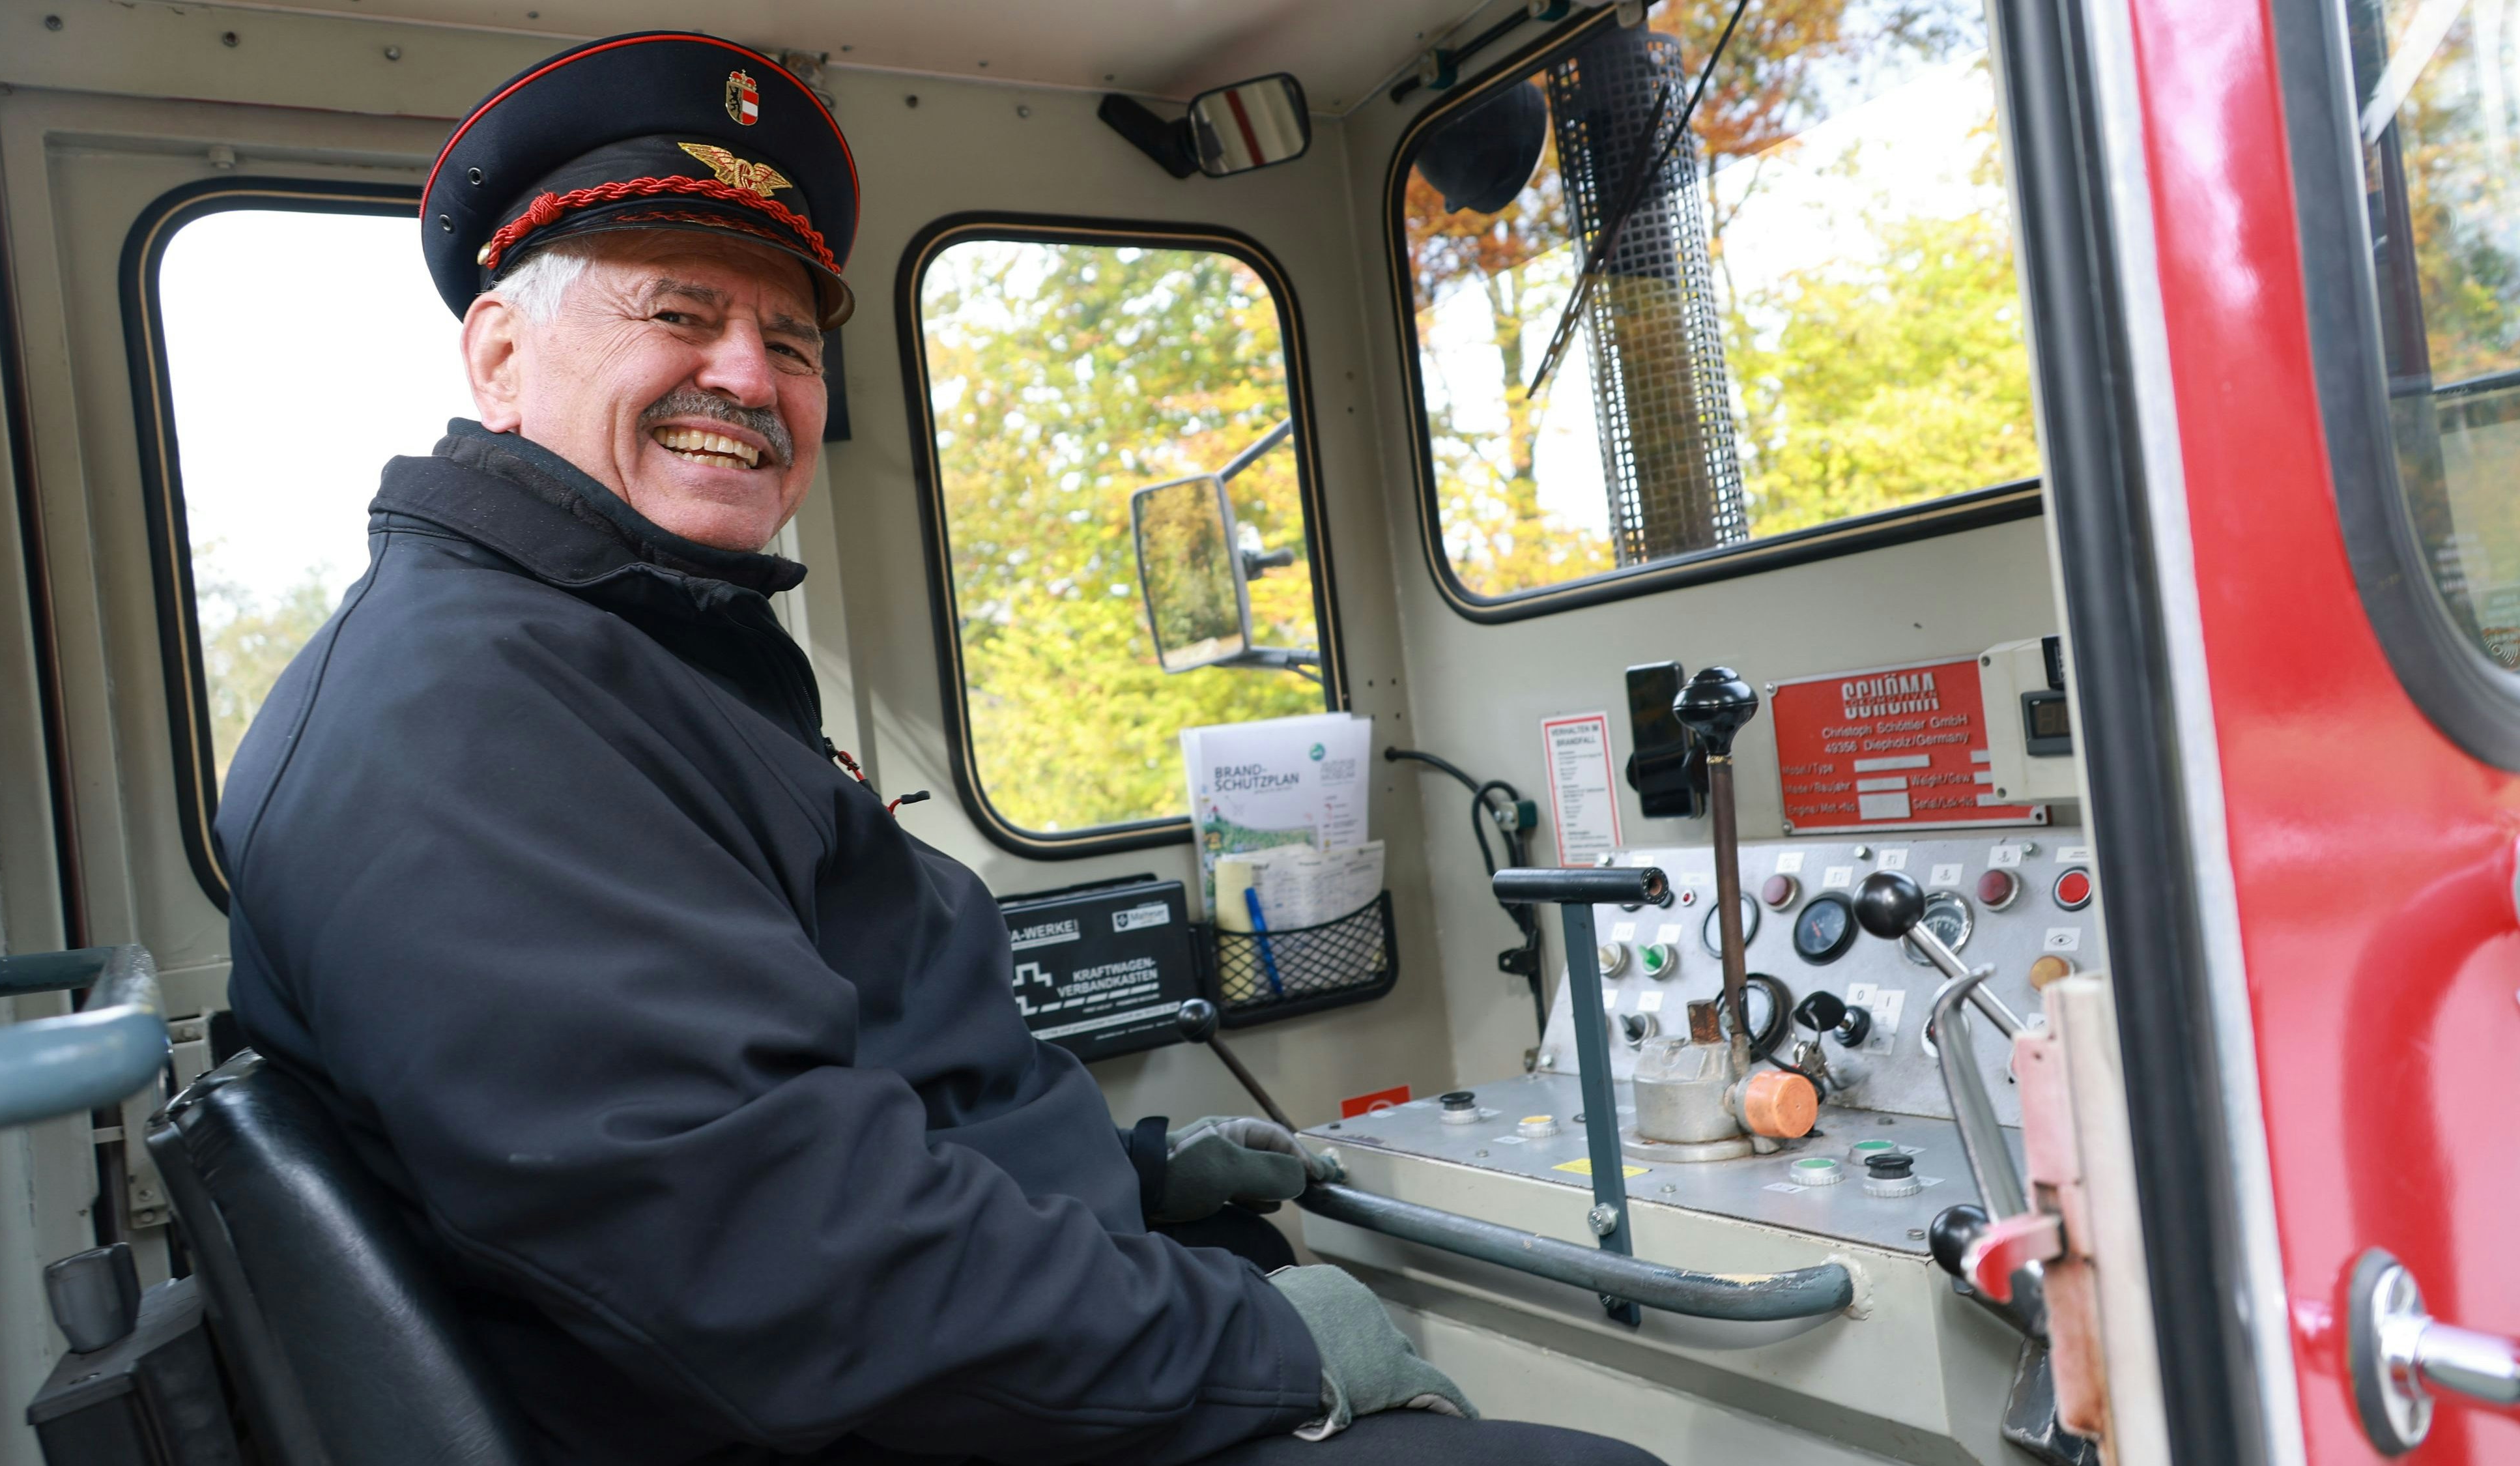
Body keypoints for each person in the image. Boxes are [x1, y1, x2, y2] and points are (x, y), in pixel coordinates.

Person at [218, 31, 1661, 1466]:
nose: (747, 373)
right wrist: (1271, 1350)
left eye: (789, 342)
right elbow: (786, 1274)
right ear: (501, 356)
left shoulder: (635, 657)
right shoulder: (464, 712)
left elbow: (831, 1100)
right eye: (679, 313)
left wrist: (1124, 1170)